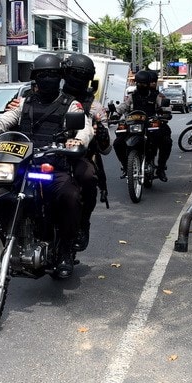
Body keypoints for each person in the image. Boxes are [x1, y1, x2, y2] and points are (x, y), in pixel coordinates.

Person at [0, 53, 93, 278]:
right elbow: (1, 122)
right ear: (35, 77)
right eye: (43, 75)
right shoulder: (24, 103)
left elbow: (84, 127)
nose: (47, 79)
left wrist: (77, 140)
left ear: (60, 77)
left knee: (69, 196)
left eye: (52, 74)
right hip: (20, 165)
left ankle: (65, 250)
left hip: (51, 165)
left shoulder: (71, 104)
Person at [61, 54, 112, 252]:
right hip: (44, 154)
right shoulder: (51, 96)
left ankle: (83, 224)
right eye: (74, 74)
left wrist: (101, 132)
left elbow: (107, 149)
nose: (77, 79)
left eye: (82, 76)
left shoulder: (95, 107)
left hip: (80, 157)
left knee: (89, 178)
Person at [113, 70, 172, 182]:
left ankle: (160, 168)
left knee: (166, 141)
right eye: (139, 83)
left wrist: (165, 112)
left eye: (143, 84)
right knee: (118, 143)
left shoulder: (156, 96)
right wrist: (115, 115)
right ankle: (126, 166)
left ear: (148, 83)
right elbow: (122, 107)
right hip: (133, 125)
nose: (141, 86)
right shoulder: (132, 96)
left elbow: (165, 107)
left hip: (151, 125)